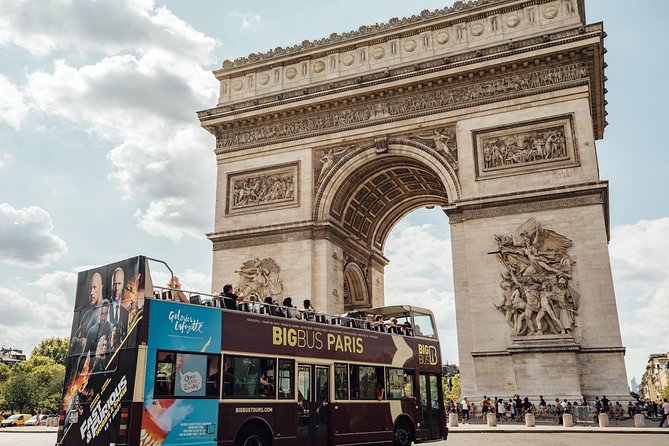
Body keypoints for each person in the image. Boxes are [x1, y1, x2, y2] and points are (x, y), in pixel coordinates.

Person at [109, 267, 129, 339]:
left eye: (119, 283)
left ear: (123, 284)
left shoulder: (126, 313)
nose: (117, 288)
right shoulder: (105, 309)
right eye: (114, 284)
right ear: (111, 285)